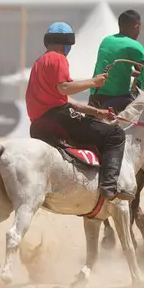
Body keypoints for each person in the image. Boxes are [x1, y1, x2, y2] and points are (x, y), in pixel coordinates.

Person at [25, 22, 132, 201]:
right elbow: (64, 88)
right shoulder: (58, 58)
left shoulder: (39, 63)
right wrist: (93, 82)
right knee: (115, 135)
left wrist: (96, 111)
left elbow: (62, 98)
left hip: (38, 124)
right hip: (58, 119)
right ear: (67, 43)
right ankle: (109, 187)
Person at [88, 10, 144, 113]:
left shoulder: (107, 40)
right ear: (136, 26)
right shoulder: (134, 45)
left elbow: (114, 67)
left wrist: (133, 73)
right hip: (117, 99)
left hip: (95, 96)